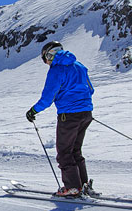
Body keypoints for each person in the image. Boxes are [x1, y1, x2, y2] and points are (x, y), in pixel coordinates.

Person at [26, 41, 97, 197]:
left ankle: (73, 188)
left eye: (47, 58)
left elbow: (47, 98)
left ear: (50, 54)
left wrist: (33, 111)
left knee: (65, 153)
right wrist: (81, 104)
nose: (48, 62)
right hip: (86, 113)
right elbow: (90, 89)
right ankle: (83, 185)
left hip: (69, 116)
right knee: (75, 151)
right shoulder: (79, 65)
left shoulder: (56, 70)